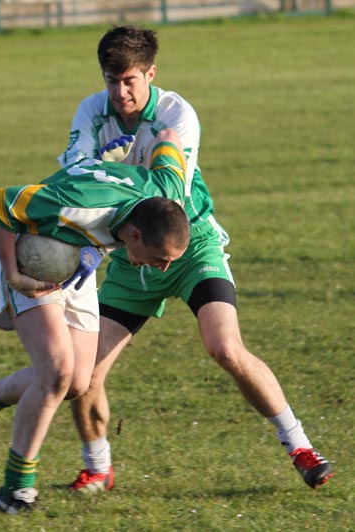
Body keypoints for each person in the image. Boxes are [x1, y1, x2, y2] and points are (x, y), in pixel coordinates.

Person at [59, 25, 334, 493]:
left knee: (224, 347)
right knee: (81, 377)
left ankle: (301, 447)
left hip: (189, 243)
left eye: (129, 80)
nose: (120, 92)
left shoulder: (176, 114)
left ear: (150, 73)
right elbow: (70, 176)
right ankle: (98, 468)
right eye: (111, 80)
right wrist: (110, 172)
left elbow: (170, 194)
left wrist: (107, 172)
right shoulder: (92, 110)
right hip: (130, 253)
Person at [0, 127, 190, 513]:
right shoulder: (74, 206)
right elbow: (0, 204)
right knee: (56, 373)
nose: (160, 270)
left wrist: (119, 160)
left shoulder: (168, 191)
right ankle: (16, 492)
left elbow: (170, 139)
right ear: (136, 234)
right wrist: (13, 274)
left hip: (78, 263)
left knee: (77, 383)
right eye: (160, 259)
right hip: (31, 258)